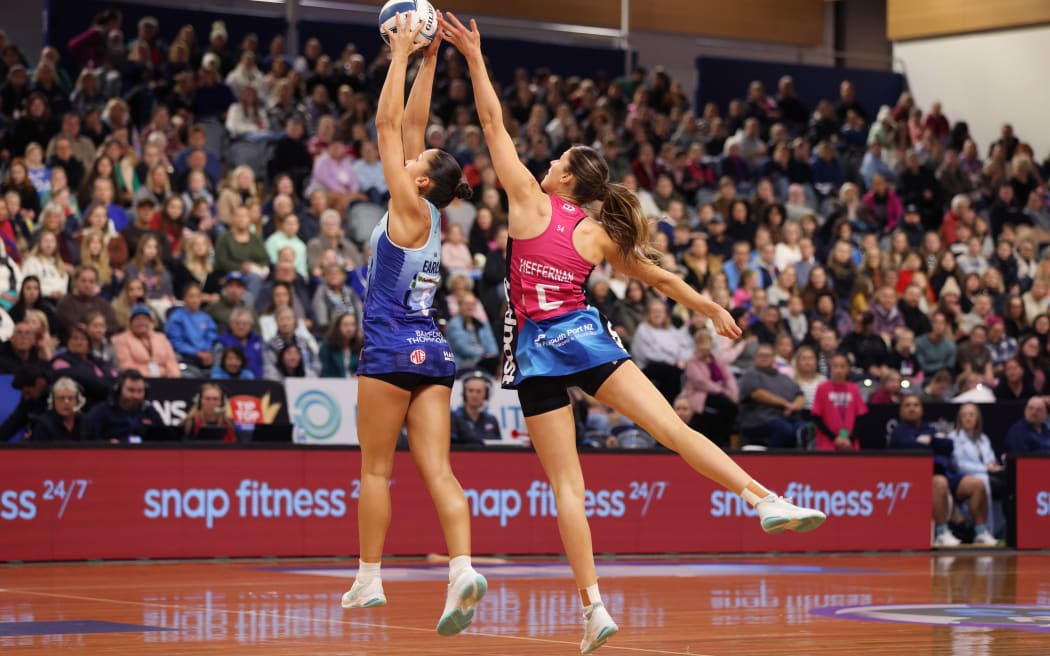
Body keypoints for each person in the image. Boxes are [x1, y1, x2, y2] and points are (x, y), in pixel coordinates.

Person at [442, 12, 825, 652]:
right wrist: (710, 311)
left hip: (537, 350)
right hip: (586, 339)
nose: (549, 159)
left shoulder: (528, 202)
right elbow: (664, 281)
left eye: (558, 158)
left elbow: (490, 123)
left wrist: (476, 59)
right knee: (674, 431)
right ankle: (763, 499)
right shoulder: (596, 234)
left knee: (569, 486)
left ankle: (593, 608)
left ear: (566, 179)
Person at [340, 18, 488, 635]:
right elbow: (411, 126)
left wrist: (398, 52)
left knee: (377, 470)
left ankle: (369, 577)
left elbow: (384, 125)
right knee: (440, 471)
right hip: (433, 346)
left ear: (421, 179)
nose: (410, 151)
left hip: (390, 345)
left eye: (417, 158)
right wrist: (430, 61)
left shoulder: (405, 203)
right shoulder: (428, 206)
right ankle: (461, 570)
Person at [889, 395, 989, 547]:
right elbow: (915, 448)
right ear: (901, 410)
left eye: (916, 405)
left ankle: (980, 532)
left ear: (921, 409)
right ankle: (942, 533)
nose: (912, 408)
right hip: (915, 480)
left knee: (977, 484)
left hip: (944, 473)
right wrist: (932, 443)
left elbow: (948, 445)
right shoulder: (898, 432)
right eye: (907, 405)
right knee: (940, 483)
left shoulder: (928, 428)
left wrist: (931, 440)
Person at [738, 344, 809, 448]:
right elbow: (757, 393)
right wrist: (785, 404)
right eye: (761, 355)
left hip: (787, 417)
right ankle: (771, 459)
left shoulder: (784, 377)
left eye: (767, 356)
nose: (764, 358)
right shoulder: (751, 374)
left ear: (773, 358)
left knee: (803, 428)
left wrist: (795, 406)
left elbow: (799, 394)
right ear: (755, 357)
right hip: (759, 419)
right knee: (785, 429)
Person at [948, 403, 1000, 545]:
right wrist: (985, 469)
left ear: (977, 418)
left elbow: (991, 458)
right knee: (982, 480)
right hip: (964, 477)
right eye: (964, 415)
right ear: (959, 419)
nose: (968, 418)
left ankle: (994, 531)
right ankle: (983, 530)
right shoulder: (954, 437)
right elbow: (958, 465)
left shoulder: (983, 438)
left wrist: (991, 465)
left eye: (971, 415)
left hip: (987, 475)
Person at [84, 370, 165, 442]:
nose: (136, 396)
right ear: (119, 389)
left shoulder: (149, 411)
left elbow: (164, 439)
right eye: (131, 390)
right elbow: (88, 440)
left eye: (140, 391)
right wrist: (107, 444)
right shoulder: (100, 412)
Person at [810, 353, 868, 451]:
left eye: (842, 366)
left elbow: (861, 416)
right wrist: (834, 438)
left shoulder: (853, 388)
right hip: (827, 443)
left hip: (850, 443)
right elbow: (816, 417)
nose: (839, 370)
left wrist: (851, 438)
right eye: (835, 366)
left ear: (848, 369)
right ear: (831, 368)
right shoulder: (822, 388)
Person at [112, 305, 181, 377]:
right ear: (131, 323)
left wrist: (173, 376)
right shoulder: (122, 339)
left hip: (165, 379)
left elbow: (171, 361)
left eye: (145, 319)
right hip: (137, 380)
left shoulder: (161, 338)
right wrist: (150, 375)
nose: (141, 322)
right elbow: (126, 365)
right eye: (137, 319)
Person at [164, 283, 218, 374]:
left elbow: (211, 336)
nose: (195, 300)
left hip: (207, 355)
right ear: (184, 298)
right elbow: (176, 342)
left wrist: (207, 352)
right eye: (191, 296)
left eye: (198, 296)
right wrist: (196, 353)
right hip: (185, 356)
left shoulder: (206, 318)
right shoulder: (176, 317)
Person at [26, 377, 87, 441]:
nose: (66, 402)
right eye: (61, 398)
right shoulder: (43, 426)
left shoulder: (85, 423)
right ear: (53, 401)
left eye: (70, 398)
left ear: (77, 401)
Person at [0, 364, 49, 441]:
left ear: (40, 382)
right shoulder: (29, 399)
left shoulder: (62, 392)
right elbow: (14, 422)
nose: (26, 397)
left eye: (28, 392)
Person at [449, 373, 501, 445]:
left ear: (486, 395)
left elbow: (498, 447)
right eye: (470, 390)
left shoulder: (492, 420)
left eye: (478, 391)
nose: (474, 395)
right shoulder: (453, 418)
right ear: (464, 393)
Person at [318, 312, 362, 378]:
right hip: (333, 384)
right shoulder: (327, 345)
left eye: (353, 325)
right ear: (338, 327)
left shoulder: (360, 345)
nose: (349, 329)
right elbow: (325, 372)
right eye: (345, 325)